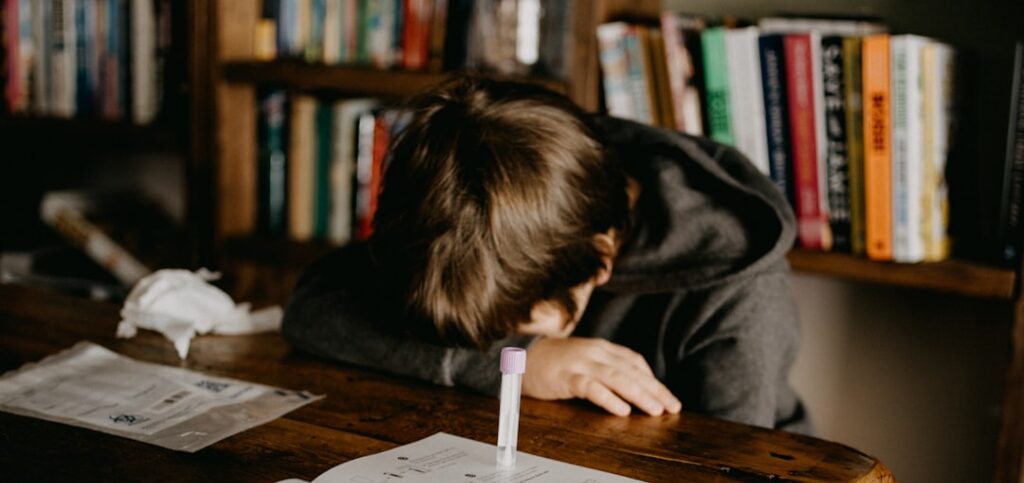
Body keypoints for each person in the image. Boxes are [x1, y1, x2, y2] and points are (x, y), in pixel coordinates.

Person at [282, 76, 808, 431]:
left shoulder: (741, 296)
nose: (504, 339)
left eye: (517, 327)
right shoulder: (468, 199)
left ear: (600, 260)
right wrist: (517, 361)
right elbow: (310, 310)